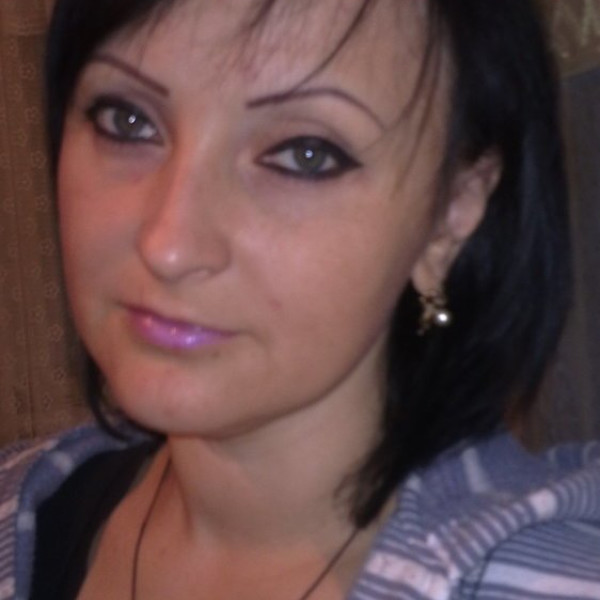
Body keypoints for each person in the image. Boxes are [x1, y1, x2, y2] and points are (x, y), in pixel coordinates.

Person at [1, 0, 599, 598]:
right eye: (127, 121)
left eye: (304, 154)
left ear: (452, 212)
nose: (169, 246)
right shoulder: (23, 509)